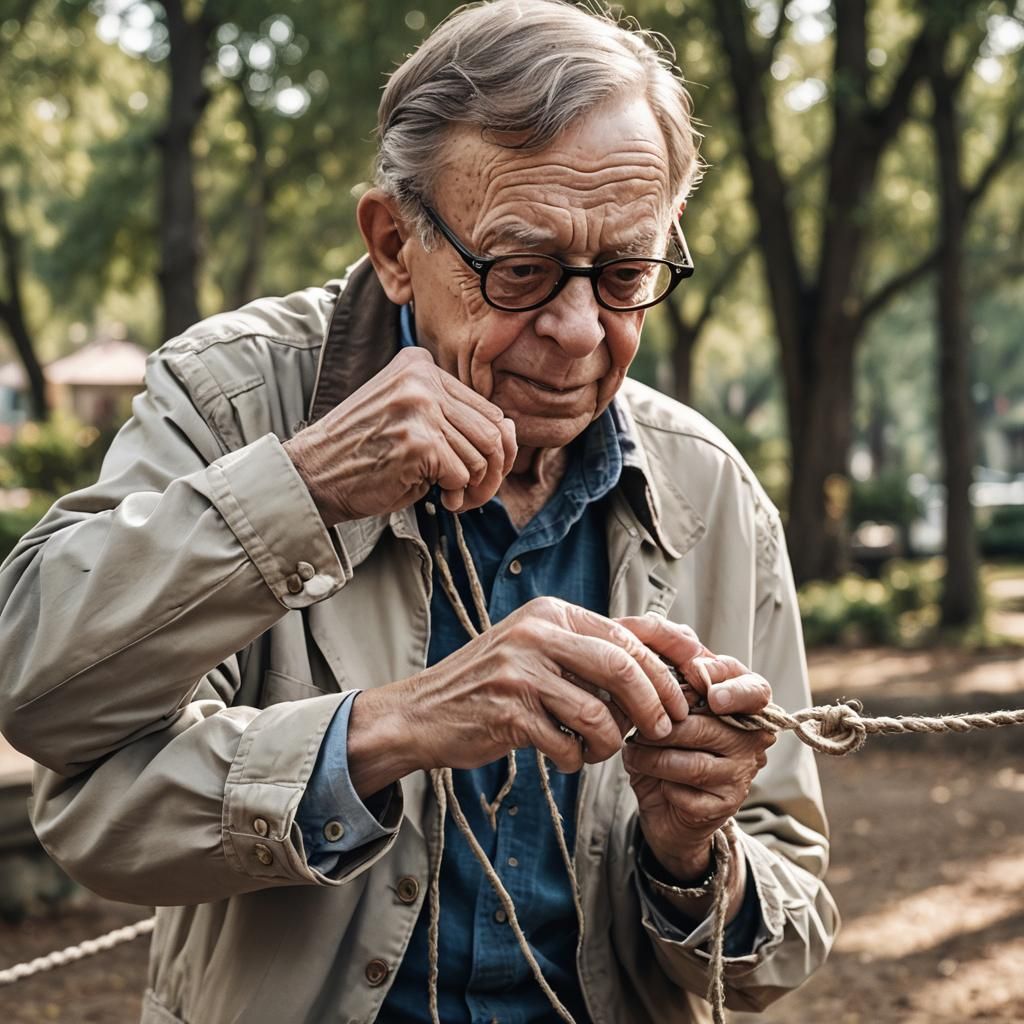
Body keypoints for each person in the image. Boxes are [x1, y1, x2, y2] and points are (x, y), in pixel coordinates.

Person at [0, 1, 838, 1021]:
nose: (579, 332)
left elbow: (785, 936)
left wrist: (692, 855)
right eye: (520, 272)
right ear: (395, 242)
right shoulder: (235, 399)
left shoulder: (707, 487)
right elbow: (46, 708)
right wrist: (310, 503)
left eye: (626, 274)